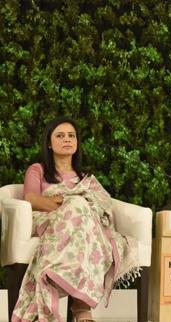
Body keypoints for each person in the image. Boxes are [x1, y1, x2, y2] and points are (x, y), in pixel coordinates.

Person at [11, 117, 140, 322]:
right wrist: (71, 204)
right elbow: (32, 199)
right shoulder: (38, 170)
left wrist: (67, 202)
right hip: (50, 221)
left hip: (85, 225)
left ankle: (80, 305)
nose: (67, 139)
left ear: (77, 142)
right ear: (49, 143)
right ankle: (82, 310)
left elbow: (102, 205)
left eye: (71, 135)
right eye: (60, 136)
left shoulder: (85, 178)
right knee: (78, 207)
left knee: (84, 217)